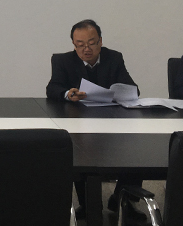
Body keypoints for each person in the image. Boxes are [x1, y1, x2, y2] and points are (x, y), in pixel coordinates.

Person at [45, 19, 145, 223]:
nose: (86, 49)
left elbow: (133, 89)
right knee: (80, 151)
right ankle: (89, 204)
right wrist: (67, 93)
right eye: (80, 44)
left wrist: (121, 91)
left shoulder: (114, 58)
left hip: (112, 119)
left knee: (136, 148)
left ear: (100, 41)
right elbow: (52, 88)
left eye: (91, 43)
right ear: (73, 44)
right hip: (78, 120)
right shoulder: (62, 60)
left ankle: (123, 200)